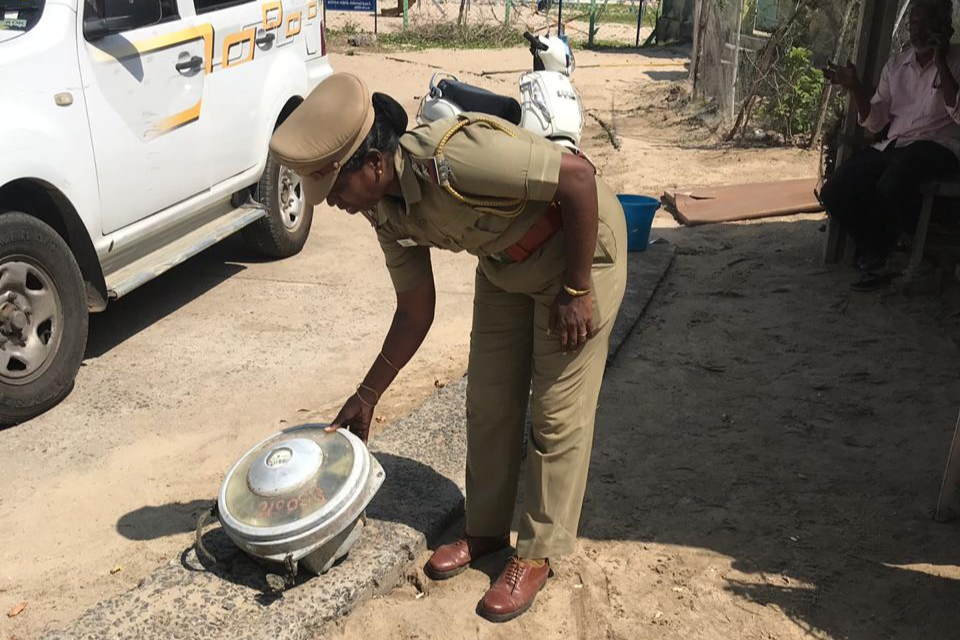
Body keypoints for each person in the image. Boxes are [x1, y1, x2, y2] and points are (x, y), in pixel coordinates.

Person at [269, 73, 627, 622]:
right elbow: (416, 309)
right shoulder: (385, 212)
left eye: (336, 189)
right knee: (488, 404)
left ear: (373, 164)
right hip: (506, 266)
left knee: (555, 415)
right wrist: (367, 395)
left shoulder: (454, 158)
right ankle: (484, 530)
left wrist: (577, 290)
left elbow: (578, 178)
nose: (335, 204)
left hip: (577, 251)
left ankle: (535, 554)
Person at [821, 0, 960, 288]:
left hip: (940, 146)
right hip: (896, 145)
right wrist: (855, 87)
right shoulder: (896, 65)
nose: (918, 32)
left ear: (946, 27)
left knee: (892, 184)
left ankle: (923, 250)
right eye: (913, 25)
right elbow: (874, 121)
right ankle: (879, 245)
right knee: (835, 190)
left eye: (926, 24)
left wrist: (942, 62)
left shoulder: (958, 62)